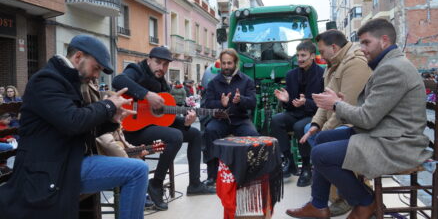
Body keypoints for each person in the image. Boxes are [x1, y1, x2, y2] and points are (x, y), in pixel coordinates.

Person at [286, 18, 432, 219]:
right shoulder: (388, 64)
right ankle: (319, 204)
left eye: (366, 43)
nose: (361, 49)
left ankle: (365, 202)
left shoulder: (393, 68)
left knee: (320, 154)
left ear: (384, 41)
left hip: (397, 143)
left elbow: (367, 118)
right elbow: (373, 110)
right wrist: (338, 103)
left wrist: (337, 104)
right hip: (384, 132)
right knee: (320, 139)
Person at [0, 35, 149, 219]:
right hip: (50, 170)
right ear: (78, 57)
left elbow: (82, 128)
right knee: (137, 171)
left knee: (137, 169)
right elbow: (73, 122)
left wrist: (111, 119)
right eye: (96, 68)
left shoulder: (68, 81)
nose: (96, 75)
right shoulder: (46, 81)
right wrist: (108, 105)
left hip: (70, 161)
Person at [112, 46, 215, 211]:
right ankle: (156, 184)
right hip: (131, 129)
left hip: (151, 127)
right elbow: (117, 81)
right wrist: (146, 95)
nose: (161, 68)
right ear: (149, 61)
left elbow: (168, 118)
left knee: (195, 133)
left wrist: (187, 122)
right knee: (174, 137)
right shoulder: (136, 70)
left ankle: (195, 184)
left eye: (165, 64)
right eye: (158, 62)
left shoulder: (164, 86)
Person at [298, 30, 372, 216]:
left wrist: (323, 130)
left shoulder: (355, 64)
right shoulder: (335, 63)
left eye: (322, 52)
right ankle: (320, 202)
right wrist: (316, 125)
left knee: (321, 148)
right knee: (311, 130)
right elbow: (327, 101)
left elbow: (345, 107)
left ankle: (347, 195)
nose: (320, 56)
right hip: (347, 120)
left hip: (354, 123)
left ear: (334, 47)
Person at [270, 40, 324, 186]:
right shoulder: (291, 75)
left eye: (303, 55)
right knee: (276, 120)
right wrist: (286, 100)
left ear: (313, 56)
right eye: (298, 55)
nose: (299, 59)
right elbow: (290, 105)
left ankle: (306, 167)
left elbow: (323, 104)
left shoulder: (322, 74)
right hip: (296, 113)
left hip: (314, 115)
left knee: (300, 127)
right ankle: (289, 160)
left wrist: (306, 102)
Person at [203, 48, 259, 186]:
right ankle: (212, 174)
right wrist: (221, 104)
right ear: (220, 64)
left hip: (240, 119)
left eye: (229, 63)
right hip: (220, 120)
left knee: (253, 135)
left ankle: (251, 173)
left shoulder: (247, 81)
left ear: (235, 63)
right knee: (210, 131)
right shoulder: (213, 83)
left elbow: (253, 103)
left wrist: (241, 100)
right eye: (224, 63)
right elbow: (207, 104)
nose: (226, 66)